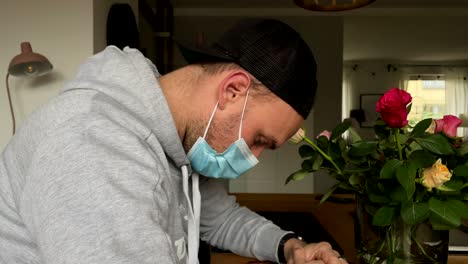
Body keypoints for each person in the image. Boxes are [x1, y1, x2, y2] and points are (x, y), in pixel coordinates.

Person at [0, 18, 347, 264]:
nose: (253, 157)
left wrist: (289, 248)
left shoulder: (179, 144)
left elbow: (220, 219)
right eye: (259, 139)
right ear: (232, 90)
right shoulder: (92, 143)